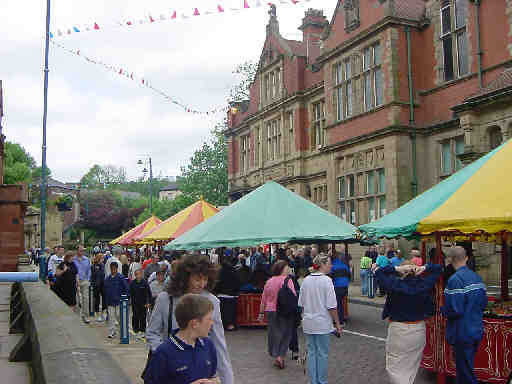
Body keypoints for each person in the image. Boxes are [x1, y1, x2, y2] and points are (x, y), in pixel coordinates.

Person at [146, 254, 234, 384]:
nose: (202, 284)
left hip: (199, 371)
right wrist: (168, 355)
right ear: (185, 277)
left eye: (205, 279)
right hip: (171, 373)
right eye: (198, 279)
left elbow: (219, 344)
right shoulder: (165, 299)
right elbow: (152, 332)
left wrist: (227, 379)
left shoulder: (212, 301)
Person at [374, 260, 442, 384]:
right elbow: (438, 268)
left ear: (403, 271)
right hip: (418, 329)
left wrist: (395, 268)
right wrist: (425, 267)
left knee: (395, 365)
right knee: (412, 364)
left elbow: (378, 272)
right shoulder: (424, 284)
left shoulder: (394, 284)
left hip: (399, 329)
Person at [143, 294, 219, 384]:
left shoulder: (208, 345)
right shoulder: (163, 353)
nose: (212, 323)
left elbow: (214, 376)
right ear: (194, 324)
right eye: (209, 319)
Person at [441, 246, 487, 384]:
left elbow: (456, 309)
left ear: (450, 260)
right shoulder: (477, 277)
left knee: (465, 373)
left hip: (462, 332)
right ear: (466, 258)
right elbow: (483, 304)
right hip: (476, 329)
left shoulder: (455, 280)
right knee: (465, 370)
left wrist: (443, 310)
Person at [298, 254, 343, 384]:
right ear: (323, 265)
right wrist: (338, 324)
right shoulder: (327, 281)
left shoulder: (306, 280)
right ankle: (321, 381)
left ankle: (313, 381)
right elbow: (332, 306)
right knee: (322, 354)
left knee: (312, 352)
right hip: (322, 323)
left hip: (308, 322)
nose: (331, 265)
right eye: (329, 263)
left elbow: (301, 303)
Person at [258, 260, 297, 369]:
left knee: (274, 334)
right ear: (283, 269)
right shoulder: (288, 281)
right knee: (285, 334)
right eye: (287, 267)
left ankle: (276, 355)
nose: (289, 269)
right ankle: (280, 356)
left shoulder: (269, 281)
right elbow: (293, 296)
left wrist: (261, 313)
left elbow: (263, 299)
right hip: (284, 311)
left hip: (270, 311)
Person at [215, 256, 240, 331]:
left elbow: (217, 284)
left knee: (223, 312)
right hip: (232, 295)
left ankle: (224, 325)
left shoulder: (220, 273)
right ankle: (230, 325)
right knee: (231, 312)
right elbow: (238, 283)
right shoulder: (234, 271)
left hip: (222, 295)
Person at [104, 262, 129, 339]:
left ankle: (123, 331)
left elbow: (126, 288)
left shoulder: (121, 277)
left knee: (119, 317)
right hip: (110, 301)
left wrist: (125, 298)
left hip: (119, 301)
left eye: (114, 268)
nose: (113, 270)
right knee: (111, 317)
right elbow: (105, 290)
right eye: (112, 268)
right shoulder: (108, 278)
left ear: (117, 269)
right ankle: (112, 331)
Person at [130, 268, 152, 341]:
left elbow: (148, 293)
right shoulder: (132, 283)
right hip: (135, 303)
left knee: (143, 317)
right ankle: (136, 331)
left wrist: (148, 302)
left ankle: (142, 331)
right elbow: (130, 293)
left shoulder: (145, 283)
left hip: (143, 304)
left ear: (141, 275)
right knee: (135, 317)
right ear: (135, 275)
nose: (138, 276)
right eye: (136, 274)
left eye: (139, 274)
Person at [330, 251, 350, 325]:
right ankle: (342, 318)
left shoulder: (332, 266)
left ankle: (339, 321)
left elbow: (331, 277)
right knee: (340, 303)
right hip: (345, 287)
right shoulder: (345, 266)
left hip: (337, 287)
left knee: (337, 304)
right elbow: (349, 275)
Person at [74, 246, 92, 324]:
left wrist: (87, 280)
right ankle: (77, 316)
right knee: (76, 299)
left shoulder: (87, 259)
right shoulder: (73, 260)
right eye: (80, 250)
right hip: (75, 281)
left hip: (84, 280)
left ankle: (85, 316)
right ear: (77, 251)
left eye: (83, 251)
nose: (82, 252)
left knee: (86, 298)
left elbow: (89, 270)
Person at [91, 253, 107, 322]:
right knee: (97, 300)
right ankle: (97, 314)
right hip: (96, 285)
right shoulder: (94, 265)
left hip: (103, 284)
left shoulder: (103, 265)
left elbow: (103, 274)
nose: (103, 259)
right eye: (102, 258)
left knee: (104, 299)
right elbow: (94, 275)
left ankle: (103, 313)